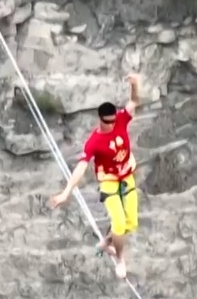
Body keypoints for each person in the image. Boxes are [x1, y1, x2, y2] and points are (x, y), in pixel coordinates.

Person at [50, 73, 143, 279]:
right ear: (101, 120)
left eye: (113, 121)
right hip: (109, 181)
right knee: (119, 223)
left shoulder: (120, 120)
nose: (112, 125)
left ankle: (106, 242)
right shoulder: (94, 141)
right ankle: (120, 258)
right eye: (108, 122)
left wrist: (135, 85)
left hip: (126, 177)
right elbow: (81, 167)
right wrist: (66, 192)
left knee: (131, 223)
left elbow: (134, 101)